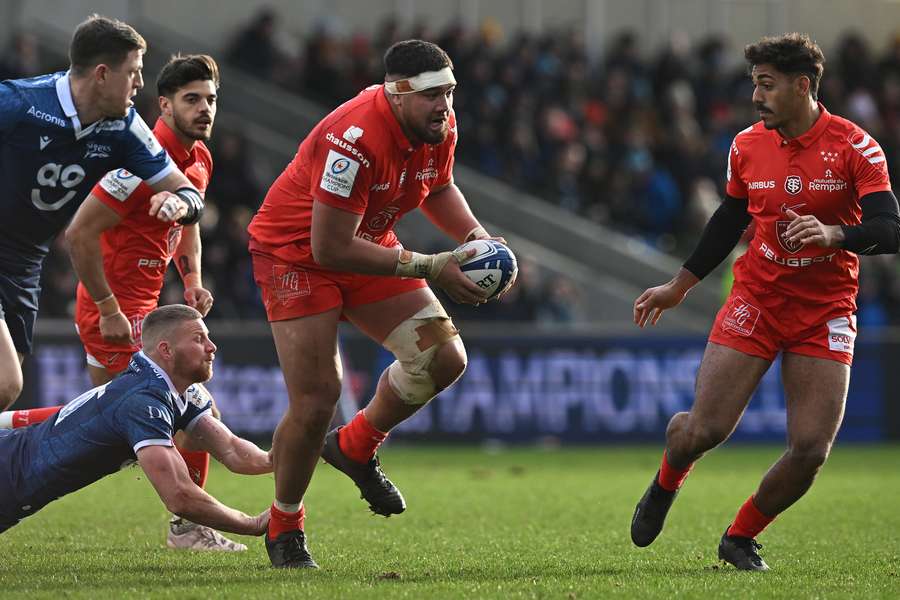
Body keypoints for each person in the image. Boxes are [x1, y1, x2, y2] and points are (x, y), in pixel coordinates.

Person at [630, 33, 900, 571]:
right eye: (754, 83)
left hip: (825, 310)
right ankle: (666, 481)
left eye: (767, 84)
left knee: (810, 450)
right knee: (704, 431)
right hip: (757, 297)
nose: (756, 95)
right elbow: (729, 219)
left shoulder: (855, 146)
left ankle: (740, 536)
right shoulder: (746, 145)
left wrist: (834, 234)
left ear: (803, 86)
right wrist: (679, 285)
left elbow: (890, 229)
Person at [248, 39, 508, 568]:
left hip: (369, 244)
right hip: (296, 257)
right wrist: (433, 264)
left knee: (444, 358)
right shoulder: (355, 140)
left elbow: (438, 189)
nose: (446, 106)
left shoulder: (438, 125)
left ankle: (355, 446)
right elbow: (329, 247)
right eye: (434, 94)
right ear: (397, 93)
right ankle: (285, 526)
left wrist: (479, 240)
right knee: (319, 397)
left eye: (451, 93)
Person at [63, 54, 245, 551]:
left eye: (210, 99)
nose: (205, 109)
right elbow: (79, 234)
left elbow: (186, 227)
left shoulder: (200, 159)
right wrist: (106, 307)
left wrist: (191, 280)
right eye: (192, 100)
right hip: (116, 313)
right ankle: (188, 529)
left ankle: (186, 524)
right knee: (192, 415)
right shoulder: (139, 159)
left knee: (116, 431)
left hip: (147, 309)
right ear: (163, 104)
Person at [0, 15, 205, 411]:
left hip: (25, 264)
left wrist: (180, 203)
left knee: (6, 391)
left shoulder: (124, 127)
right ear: (101, 74)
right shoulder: (19, 104)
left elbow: (185, 190)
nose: (140, 84)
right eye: (134, 72)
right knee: (6, 382)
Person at [0, 304, 272, 538]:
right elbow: (180, 496)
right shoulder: (143, 402)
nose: (212, 347)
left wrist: (297, 452)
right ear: (165, 350)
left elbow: (233, 451)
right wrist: (252, 524)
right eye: (199, 339)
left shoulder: (173, 388)